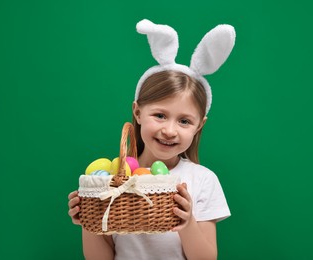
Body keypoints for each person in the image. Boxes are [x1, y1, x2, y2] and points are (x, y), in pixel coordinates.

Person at [68, 19, 236, 260]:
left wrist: (187, 222)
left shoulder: (202, 180)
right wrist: (89, 221)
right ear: (137, 113)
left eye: (184, 121)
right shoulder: (116, 178)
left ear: (200, 125)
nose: (169, 130)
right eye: (159, 115)